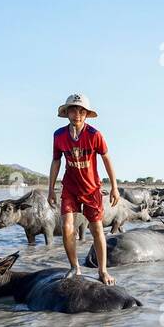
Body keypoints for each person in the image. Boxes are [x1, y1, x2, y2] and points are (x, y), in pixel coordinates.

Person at [47, 93, 120, 283]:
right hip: (70, 188)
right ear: (67, 113)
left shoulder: (95, 135)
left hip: (91, 189)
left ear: (86, 114)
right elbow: (56, 161)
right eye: (73, 110)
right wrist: (50, 190)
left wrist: (114, 187)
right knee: (66, 226)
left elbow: (106, 159)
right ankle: (74, 267)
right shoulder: (59, 135)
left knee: (97, 229)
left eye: (81, 111)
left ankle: (102, 271)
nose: (77, 114)